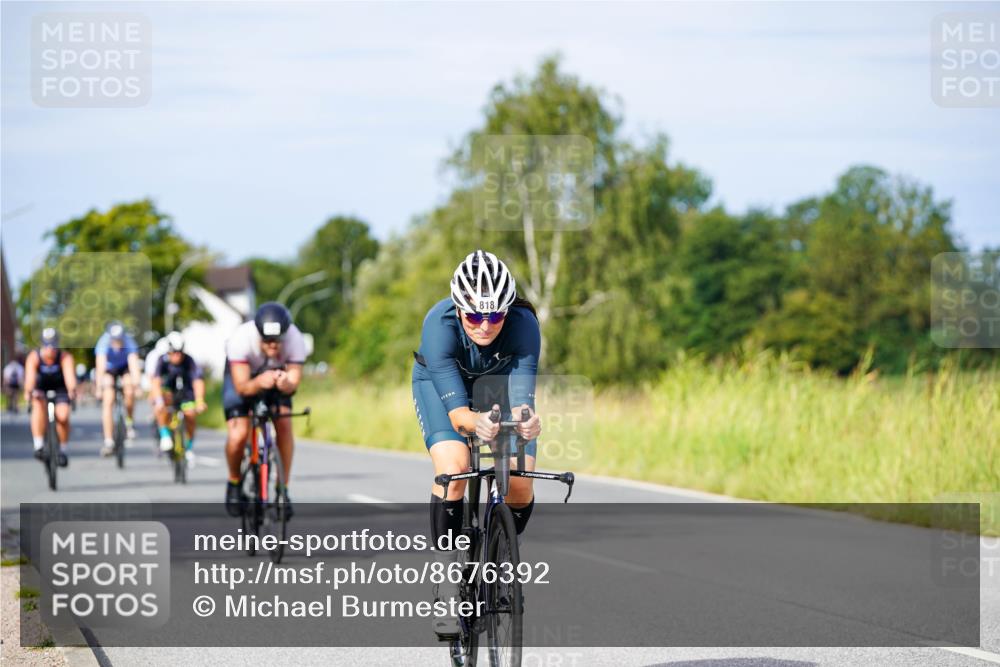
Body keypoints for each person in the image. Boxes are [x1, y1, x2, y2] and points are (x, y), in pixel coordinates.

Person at [412, 249, 542, 636]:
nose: (485, 326)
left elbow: (523, 401)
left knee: (521, 483)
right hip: (442, 390)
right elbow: (459, 417)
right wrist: (477, 423)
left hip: (496, 386)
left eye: (495, 316)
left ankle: (499, 555)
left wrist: (527, 421)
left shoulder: (525, 324)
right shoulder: (439, 324)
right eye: (474, 316)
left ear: (507, 310)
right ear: (459, 308)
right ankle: (449, 580)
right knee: (455, 468)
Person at [222, 302, 307, 518]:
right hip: (244, 379)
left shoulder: (295, 339)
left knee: (285, 425)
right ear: (257, 334)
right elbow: (242, 387)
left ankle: (282, 490)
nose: (272, 346)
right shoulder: (241, 340)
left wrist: (285, 382)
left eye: (277, 341)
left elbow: (294, 382)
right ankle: (234, 482)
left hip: (274, 380)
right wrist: (259, 382)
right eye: (267, 341)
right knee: (239, 433)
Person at [150, 332, 207, 466]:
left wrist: (200, 400)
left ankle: (189, 448)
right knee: (161, 404)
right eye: (174, 352)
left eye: (180, 352)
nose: (177, 355)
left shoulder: (189, 361)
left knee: (191, 415)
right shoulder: (162, 360)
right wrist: (158, 400)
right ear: (168, 352)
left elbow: (198, 381)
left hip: (186, 393)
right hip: (168, 392)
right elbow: (156, 382)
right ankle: (164, 435)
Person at [22, 328, 77, 466]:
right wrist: (29, 391)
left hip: (60, 389)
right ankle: (39, 445)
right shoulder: (34, 357)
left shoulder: (64, 357)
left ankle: (63, 450)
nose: (50, 349)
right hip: (40, 389)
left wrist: (72, 390)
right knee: (38, 405)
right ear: (42, 344)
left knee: (63, 416)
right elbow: (29, 379)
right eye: (47, 345)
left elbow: (70, 377)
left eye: (53, 345)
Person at [94, 322, 142, 456]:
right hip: (109, 369)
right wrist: (99, 388)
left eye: (119, 339)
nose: (117, 342)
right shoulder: (103, 342)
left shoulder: (129, 341)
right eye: (114, 340)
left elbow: (134, 365)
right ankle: (109, 440)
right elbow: (100, 368)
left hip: (124, 368)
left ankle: (129, 423)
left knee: (129, 388)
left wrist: (136, 385)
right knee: (108, 400)